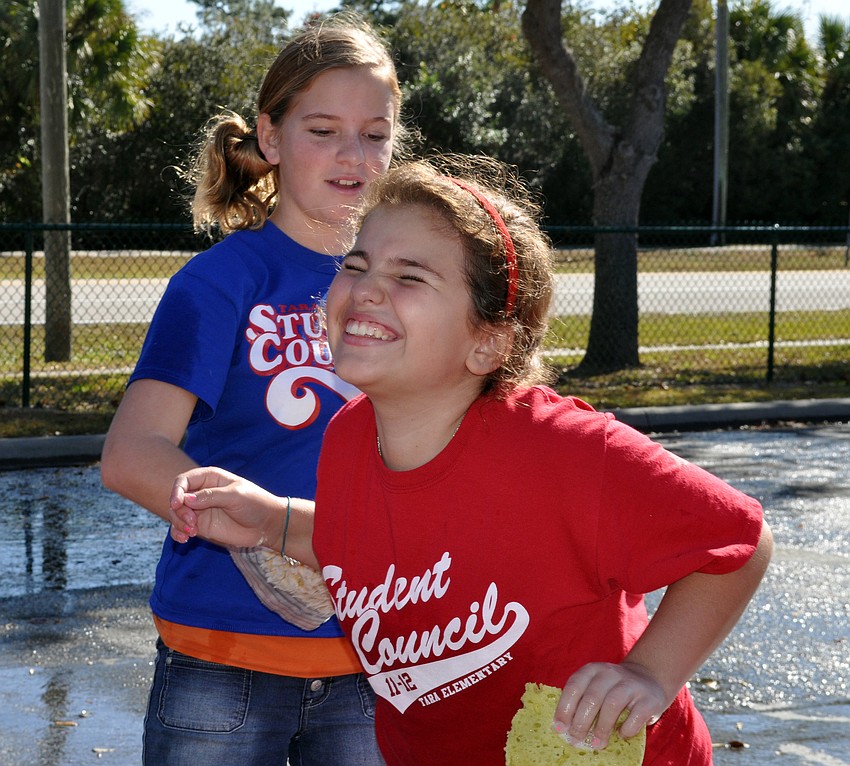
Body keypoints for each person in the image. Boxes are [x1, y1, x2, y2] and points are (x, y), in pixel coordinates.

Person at [166, 157, 773, 765]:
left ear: (487, 342)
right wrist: (274, 521)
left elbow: (739, 541)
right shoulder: (349, 436)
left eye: (410, 275)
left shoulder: (566, 450)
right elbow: (390, 551)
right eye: (356, 263)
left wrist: (649, 673)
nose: (367, 286)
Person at [100, 14, 407, 765]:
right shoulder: (221, 283)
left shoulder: (413, 284)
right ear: (270, 138)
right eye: (324, 129)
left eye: (374, 134)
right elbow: (132, 456)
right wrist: (261, 528)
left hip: (381, 658)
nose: (352, 155)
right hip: (224, 658)